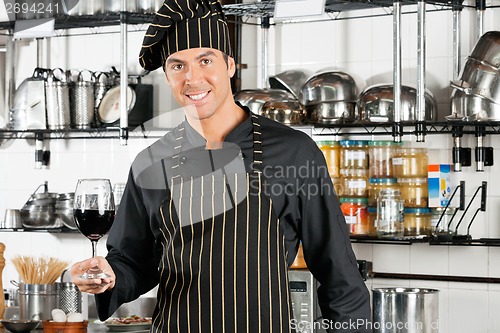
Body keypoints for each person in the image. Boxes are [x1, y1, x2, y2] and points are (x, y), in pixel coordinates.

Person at [69, 0, 371, 332]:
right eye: (178, 65)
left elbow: (338, 272)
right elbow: (133, 262)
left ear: (229, 64)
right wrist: (109, 278)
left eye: (205, 60)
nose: (193, 78)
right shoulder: (151, 163)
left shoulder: (294, 153)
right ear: (167, 75)